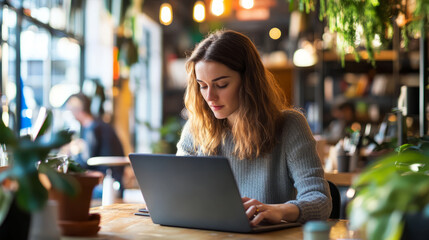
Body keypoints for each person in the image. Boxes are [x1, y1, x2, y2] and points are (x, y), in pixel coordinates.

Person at [176, 30, 332, 225]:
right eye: (202, 85)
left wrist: (279, 210)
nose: (209, 97)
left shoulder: (290, 125)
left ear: (249, 82)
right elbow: (179, 192)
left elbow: (320, 200)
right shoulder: (197, 127)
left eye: (222, 84)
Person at [65, 93, 125, 196]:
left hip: (105, 185)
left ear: (77, 110)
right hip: (114, 182)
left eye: (70, 111)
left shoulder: (92, 129)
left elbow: (85, 161)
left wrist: (69, 157)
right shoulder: (99, 125)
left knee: (69, 191)